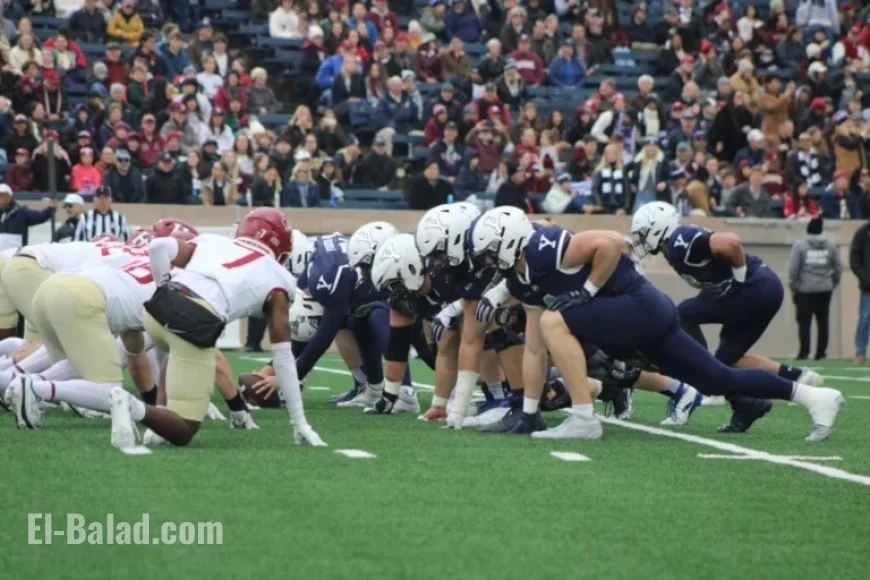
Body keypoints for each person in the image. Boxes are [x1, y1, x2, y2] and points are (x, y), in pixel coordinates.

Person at [470, 205, 844, 441]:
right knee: (717, 377)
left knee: (556, 321)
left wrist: (587, 288)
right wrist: (530, 413)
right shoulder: (520, 278)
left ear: (509, 240)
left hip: (639, 305)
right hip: (636, 318)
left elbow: (612, 243)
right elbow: (534, 349)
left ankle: (584, 418)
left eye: (489, 251)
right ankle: (815, 397)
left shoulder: (546, 246)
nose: (487, 260)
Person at [107, 208, 325, 449]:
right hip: (194, 321)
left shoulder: (212, 241)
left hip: (153, 311)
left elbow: (158, 246)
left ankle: (156, 423)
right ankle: (130, 405)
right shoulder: (279, 279)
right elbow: (283, 357)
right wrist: (300, 423)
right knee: (184, 430)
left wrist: (163, 289)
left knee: (174, 350)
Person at [788, 217, 841, 360]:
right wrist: (832, 283)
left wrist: (793, 286)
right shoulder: (831, 245)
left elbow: (793, 269)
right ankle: (821, 353)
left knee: (804, 322)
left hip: (805, 290)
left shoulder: (800, 246)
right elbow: (837, 267)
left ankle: (804, 352)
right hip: (825, 289)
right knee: (823, 321)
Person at [0, 183, 56, 249]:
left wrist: (50, 209)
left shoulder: (21, 212)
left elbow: (40, 217)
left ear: (8, 198)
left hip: (17, 256)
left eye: (0, 197)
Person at [849, 218, 870, 364]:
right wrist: (864, 277)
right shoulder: (862, 234)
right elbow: (854, 259)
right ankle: (860, 352)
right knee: (865, 319)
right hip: (868, 286)